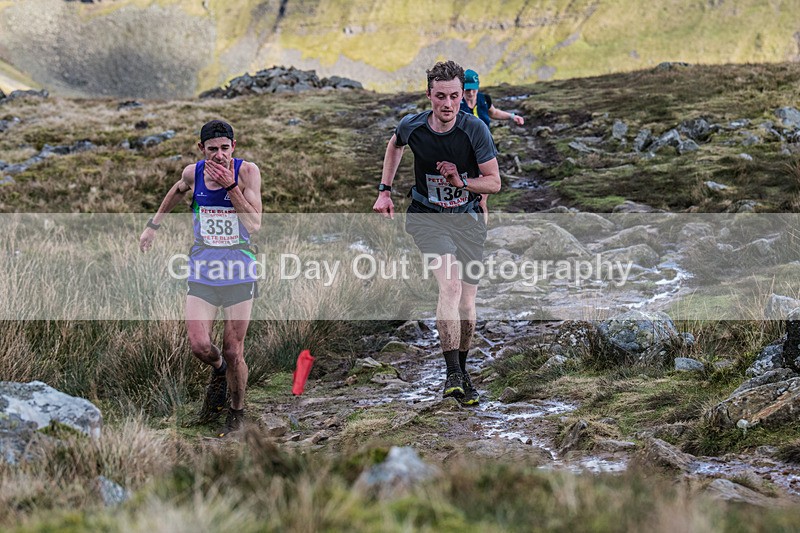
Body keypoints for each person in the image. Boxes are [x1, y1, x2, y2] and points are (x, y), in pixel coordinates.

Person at [373, 60, 500, 406]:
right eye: (440, 96)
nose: (447, 104)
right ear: (429, 95)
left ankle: (462, 368)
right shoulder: (412, 126)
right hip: (428, 218)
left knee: (467, 302)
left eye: (454, 97)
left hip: (467, 219)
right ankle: (453, 375)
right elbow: (395, 145)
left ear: (463, 96)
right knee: (450, 285)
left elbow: (494, 182)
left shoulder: (475, 130)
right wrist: (384, 190)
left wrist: (462, 182)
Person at [139, 120, 262, 437]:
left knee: (235, 351)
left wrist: (231, 187)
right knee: (199, 345)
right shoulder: (193, 173)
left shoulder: (247, 173)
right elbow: (177, 190)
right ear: (201, 149)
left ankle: (236, 412)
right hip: (203, 270)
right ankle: (219, 370)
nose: (219, 155)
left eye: (225, 148)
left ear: (233, 146)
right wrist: (153, 226)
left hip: (238, 270)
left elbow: (254, 225)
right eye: (212, 149)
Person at [460, 69, 525, 128]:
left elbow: (494, 113)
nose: (471, 93)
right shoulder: (457, 102)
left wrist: (512, 116)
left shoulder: (484, 99)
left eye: (473, 89)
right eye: (467, 90)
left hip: (484, 139)